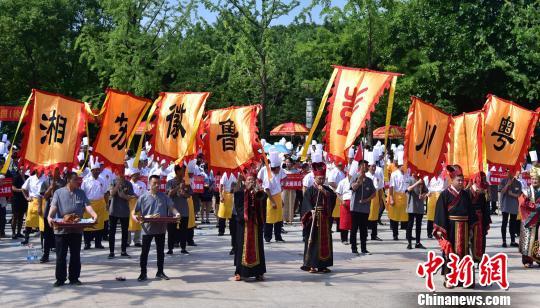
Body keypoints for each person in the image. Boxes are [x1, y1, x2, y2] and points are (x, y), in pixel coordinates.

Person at [47, 172, 98, 287]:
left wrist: (94, 215)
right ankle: (60, 279)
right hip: (61, 229)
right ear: (69, 180)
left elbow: (87, 206)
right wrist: (50, 217)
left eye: (79, 180)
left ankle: (74, 278)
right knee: (61, 255)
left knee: (75, 255)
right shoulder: (58, 193)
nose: (78, 182)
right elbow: (54, 207)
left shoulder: (81, 192)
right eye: (75, 180)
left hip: (76, 229)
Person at [433, 165, 476, 289]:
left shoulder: (466, 195)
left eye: (462, 180)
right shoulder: (445, 195)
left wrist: (472, 228)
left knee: (464, 253)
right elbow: (440, 213)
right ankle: (449, 279)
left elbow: (471, 212)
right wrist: (440, 230)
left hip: (464, 227)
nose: (462, 182)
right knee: (450, 253)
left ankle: (465, 279)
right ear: (452, 180)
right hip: (450, 228)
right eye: (459, 180)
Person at [133, 175, 180, 281]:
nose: (157, 185)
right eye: (154, 183)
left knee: (160, 251)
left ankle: (160, 272)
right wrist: (136, 217)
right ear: (149, 183)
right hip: (147, 229)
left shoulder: (164, 196)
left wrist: (177, 214)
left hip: (161, 228)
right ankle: (143, 273)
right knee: (145, 251)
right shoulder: (143, 197)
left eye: (158, 183)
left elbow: (172, 208)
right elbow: (134, 211)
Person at [301, 161, 334, 273]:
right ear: (314, 178)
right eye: (319, 178)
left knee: (324, 242)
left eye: (323, 178)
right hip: (313, 219)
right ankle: (311, 265)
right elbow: (305, 203)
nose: (321, 181)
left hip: (324, 219)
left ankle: (323, 265)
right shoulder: (310, 190)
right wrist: (310, 210)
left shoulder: (327, 189)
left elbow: (332, 199)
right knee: (313, 241)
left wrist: (325, 192)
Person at [233, 172, 266, 281]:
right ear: (245, 181)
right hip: (244, 224)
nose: (251, 182)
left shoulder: (259, 193)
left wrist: (257, 193)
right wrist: (248, 194)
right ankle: (239, 272)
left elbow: (263, 205)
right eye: (249, 180)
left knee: (258, 247)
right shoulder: (239, 193)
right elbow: (238, 208)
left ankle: (259, 272)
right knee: (241, 246)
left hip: (255, 223)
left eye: (253, 180)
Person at [40, 168, 66, 263]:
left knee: (60, 234)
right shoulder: (46, 182)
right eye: (52, 171)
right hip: (49, 211)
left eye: (57, 171)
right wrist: (51, 187)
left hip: (60, 211)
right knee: (47, 234)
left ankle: (60, 255)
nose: (54, 173)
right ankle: (45, 254)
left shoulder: (63, 182)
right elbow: (44, 196)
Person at [350, 161, 376, 255]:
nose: (366, 167)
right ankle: (353, 247)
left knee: (364, 230)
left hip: (365, 209)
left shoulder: (369, 180)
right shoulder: (354, 177)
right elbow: (353, 188)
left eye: (366, 166)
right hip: (355, 208)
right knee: (354, 229)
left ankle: (363, 248)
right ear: (360, 167)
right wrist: (358, 181)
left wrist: (366, 200)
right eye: (364, 166)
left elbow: (374, 193)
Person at [108, 170, 136, 258]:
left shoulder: (128, 184)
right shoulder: (113, 182)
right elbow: (112, 193)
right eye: (120, 172)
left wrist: (125, 196)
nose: (122, 174)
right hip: (113, 211)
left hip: (124, 211)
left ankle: (123, 251)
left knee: (125, 232)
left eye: (123, 172)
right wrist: (118, 184)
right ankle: (111, 252)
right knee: (112, 232)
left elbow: (132, 196)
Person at [81, 161, 108, 250]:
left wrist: (106, 204)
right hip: (89, 205)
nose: (97, 172)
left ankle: (98, 243)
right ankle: (87, 243)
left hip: (100, 203)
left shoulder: (102, 180)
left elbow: (105, 193)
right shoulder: (86, 180)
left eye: (98, 170)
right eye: (95, 170)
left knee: (99, 224)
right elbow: (82, 193)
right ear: (91, 171)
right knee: (87, 224)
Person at [166, 164, 192, 255]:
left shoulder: (187, 183)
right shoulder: (170, 182)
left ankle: (183, 248)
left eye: (185, 170)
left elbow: (189, 195)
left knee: (183, 230)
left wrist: (183, 193)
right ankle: (170, 248)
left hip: (184, 210)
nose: (184, 172)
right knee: (171, 231)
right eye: (183, 170)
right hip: (172, 211)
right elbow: (169, 194)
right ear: (177, 171)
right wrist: (178, 187)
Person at [467, 172, 491, 263]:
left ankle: (480, 259)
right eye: (479, 187)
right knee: (470, 240)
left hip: (481, 220)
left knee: (481, 240)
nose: (481, 189)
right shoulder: (468, 192)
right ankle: (469, 259)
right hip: (470, 220)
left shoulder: (482, 194)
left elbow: (485, 207)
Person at [263, 151, 287, 243]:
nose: (279, 170)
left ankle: (278, 236)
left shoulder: (277, 175)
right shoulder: (269, 176)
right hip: (271, 198)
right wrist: (273, 201)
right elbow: (267, 189)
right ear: (275, 168)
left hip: (277, 197)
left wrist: (280, 200)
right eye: (278, 168)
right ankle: (267, 237)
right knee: (269, 219)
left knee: (278, 219)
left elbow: (278, 188)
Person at [21, 170, 47, 245]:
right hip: (33, 200)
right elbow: (23, 188)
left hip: (43, 201)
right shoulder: (31, 178)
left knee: (42, 222)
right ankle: (26, 239)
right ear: (35, 171)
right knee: (29, 220)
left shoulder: (45, 178)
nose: (41, 172)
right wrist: (26, 197)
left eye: (42, 170)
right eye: (39, 170)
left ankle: (44, 240)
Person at [519, 174, 540, 268]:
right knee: (527, 240)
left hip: (539, 218)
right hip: (529, 218)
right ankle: (527, 260)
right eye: (533, 179)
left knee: (538, 239)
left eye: (536, 179)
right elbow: (522, 202)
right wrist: (534, 206)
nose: (534, 180)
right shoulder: (526, 190)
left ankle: (538, 259)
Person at [388, 151, 409, 240]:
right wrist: (391, 198)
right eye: (402, 166)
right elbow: (391, 187)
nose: (404, 167)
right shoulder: (394, 174)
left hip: (406, 196)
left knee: (407, 217)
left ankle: (408, 234)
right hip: (396, 196)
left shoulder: (407, 173)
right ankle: (395, 234)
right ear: (400, 165)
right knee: (395, 217)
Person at [499, 169, 522, 247]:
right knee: (504, 223)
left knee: (513, 223)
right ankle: (504, 241)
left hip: (514, 206)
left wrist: (512, 194)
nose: (509, 173)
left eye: (511, 171)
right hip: (505, 205)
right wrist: (507, 184)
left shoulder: (518, 183)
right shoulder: (503, 181)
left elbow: (518, 195)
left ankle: (512, 241)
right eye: (507, 171)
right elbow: (501, 191)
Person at [405, 173, 428, 249]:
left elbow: (425, 191)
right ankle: (409, 242)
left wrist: (423, 195)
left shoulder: (422, 180)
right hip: (412, 205)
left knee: (418, 225)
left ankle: (418, 242)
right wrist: (417, 182)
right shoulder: (409, 179)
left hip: (420, 205)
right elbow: (408, 189)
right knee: (410, 224)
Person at [327, 161, 347, 243]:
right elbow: (330, 182)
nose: (342, 165)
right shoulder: (333, 171)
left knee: (341, 214)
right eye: (340, 164)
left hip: (341, 194)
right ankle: (328, 232)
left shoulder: (342, 172)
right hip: (334, 194)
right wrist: (339, 188)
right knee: (331, 214)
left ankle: (342, 233)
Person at [365, 157, 384, 241]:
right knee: (366, 216)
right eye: (372, 166)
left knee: (375, 217)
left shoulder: (378, 176)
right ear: (368, 167)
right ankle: (364, 234)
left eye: (374, 166)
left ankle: (374, 235)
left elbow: (380, 188)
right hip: (368, 197)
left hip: (375, 197)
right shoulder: (366, 176)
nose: (373, 168)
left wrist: (380, 200)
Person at [128, 168, 147, 247]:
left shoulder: (142, 184)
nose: (137, 177)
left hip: (139, 204)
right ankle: (127, 241)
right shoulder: (128, 184)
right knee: (128, 222)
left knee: (139, 221)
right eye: (135, 175)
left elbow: (145, 194)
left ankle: (137, 240)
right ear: (131, 176)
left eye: (138, 175)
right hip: (129, 204)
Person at [426, 172, 446, 238]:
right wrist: (427, 193)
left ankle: (439, 231)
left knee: (439, 214)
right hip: (431, 196)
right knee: (430, 215)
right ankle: (429, 232)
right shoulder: (429, 176)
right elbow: (426, 186)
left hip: (440, 196)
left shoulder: (443, 176)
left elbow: (445, 187)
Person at [10, 167, 27, 239]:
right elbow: (13, 188)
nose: (22, 171)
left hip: (24, 199)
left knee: (21, 216)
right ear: (19, 170)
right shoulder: (16, 177)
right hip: (16, 199)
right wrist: (21, 190)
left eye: (24, 169)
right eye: (21, 169)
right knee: (15, 216)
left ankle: (19, 233)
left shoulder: (27, 177)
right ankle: (13, 233)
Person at [282, 157, 299, 224]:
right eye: (286, 162)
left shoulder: (296, 171)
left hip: (292, 189)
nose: (287, 164)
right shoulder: (283, 171)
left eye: (289, 162)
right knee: (284, 202)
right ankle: (284, 218)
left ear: (292, 163)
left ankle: (290, 218)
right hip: (284, 189)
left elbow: (298, 179)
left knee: (291, 202)